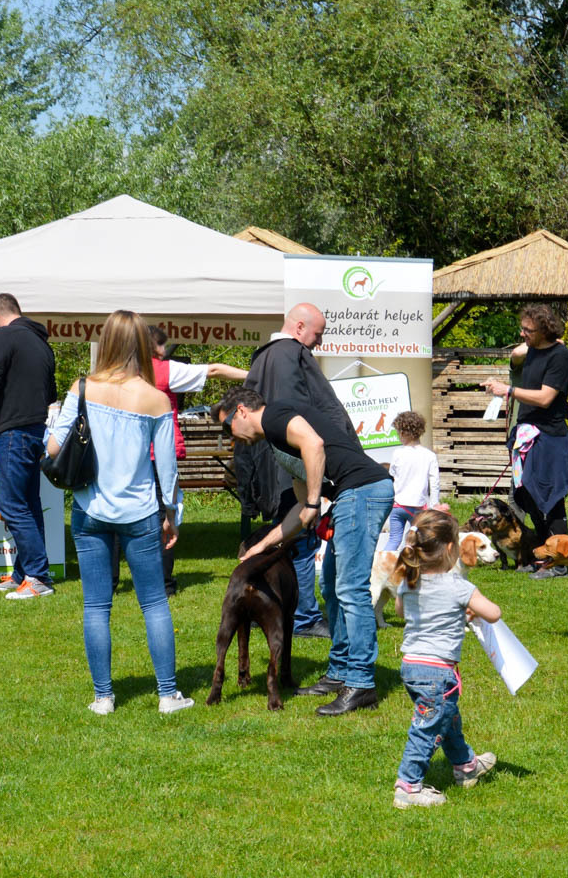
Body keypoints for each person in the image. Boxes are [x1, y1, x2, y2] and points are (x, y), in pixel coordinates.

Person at [218, 385, 394, 715]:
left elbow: (315, 445)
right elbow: (301, 506)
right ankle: (340, 671)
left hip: (363, 491)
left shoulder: (274, 416)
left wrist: (315, 500)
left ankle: (361, 683)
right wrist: (264, 544)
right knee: (330, 584)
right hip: (351, 496)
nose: (231, 438)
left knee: (350, 588)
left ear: (241, 411)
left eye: (227, 427)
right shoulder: (277, 442)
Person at [46, 311, 190, 715]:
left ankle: (103, 697)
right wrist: (171, 514)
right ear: (144, 345)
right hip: (141, 511)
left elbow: (54, 449)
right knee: (154, 603)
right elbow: (167, 468)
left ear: (105, 342)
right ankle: (167, 695)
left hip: (90, 508)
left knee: (96, 606)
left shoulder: (83, 387)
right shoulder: (156, 398)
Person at [240, 303, 348, 643]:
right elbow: (306, 412)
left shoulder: (263, 358)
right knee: (301, 538)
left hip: (273, 465)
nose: (318, 342)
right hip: (293, 465)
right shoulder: (292, 355)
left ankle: (283, 610)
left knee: (287, 538)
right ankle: (303, 616)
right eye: (317, 334)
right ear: (300, 327)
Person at [388, 510, 501, 808]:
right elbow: (494, 613)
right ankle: (408, 787)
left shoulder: (409, 582)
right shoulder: (458, 587)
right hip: (438, 672)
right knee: (426, 730)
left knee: (446, 718)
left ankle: (465, 766)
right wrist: (468, 606)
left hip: (411, 666)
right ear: (451, 549)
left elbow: (401, 612)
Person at [0, 292, 57, 599]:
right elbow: (50, 393)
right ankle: (23, 574)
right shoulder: (42, 344)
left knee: (11, 505)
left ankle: (37, 576)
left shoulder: (4, 336)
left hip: (13, 432)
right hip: (36, 430)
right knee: (30, 504)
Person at [147, 325, 248, 594]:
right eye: (162, 345)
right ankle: (163, 584)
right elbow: (214, 370)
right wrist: (252, 376)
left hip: (126, 457)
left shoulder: (119, 375)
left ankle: (111, 583)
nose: (165, 350)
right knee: (163, 519)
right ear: (153, 346)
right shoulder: (165, 370)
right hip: (159, 454)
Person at [482, 304, 568, 579]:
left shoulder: (560, 357)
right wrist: (525, 346)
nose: (523, 334)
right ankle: (544, 554)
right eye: (522, 328)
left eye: (528, 330)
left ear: (545, 330)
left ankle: (560, 563)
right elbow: (517, 353)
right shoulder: (533, 348)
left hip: (549, 435)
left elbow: (546, 398)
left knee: (550, 497)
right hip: (527, 433)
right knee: (526, 494)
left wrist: (508, 390)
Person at [383, 411, 441, 553]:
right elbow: (434, 482)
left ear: (403, 433)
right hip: (418, 507)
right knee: (418, 540)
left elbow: (392, 474)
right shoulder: (430, 456)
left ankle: (382, 565)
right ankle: (416, 568)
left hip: (398, 506)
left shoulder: (398, 453)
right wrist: (434, 505)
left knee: (394, 539)